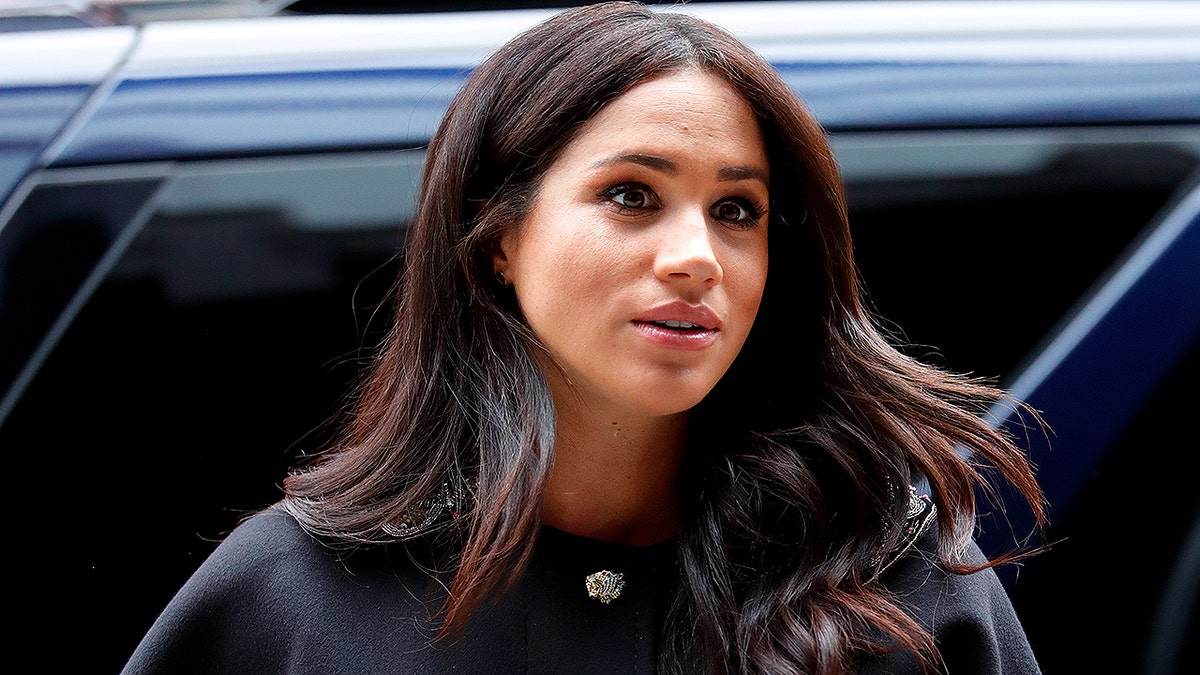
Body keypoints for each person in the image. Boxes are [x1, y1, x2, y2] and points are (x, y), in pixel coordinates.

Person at [121, 3, 1045, 674]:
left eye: (737, 210)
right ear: (496, 241)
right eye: (632, 194)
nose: (697, 257)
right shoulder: (292, 597)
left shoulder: (904, 586)